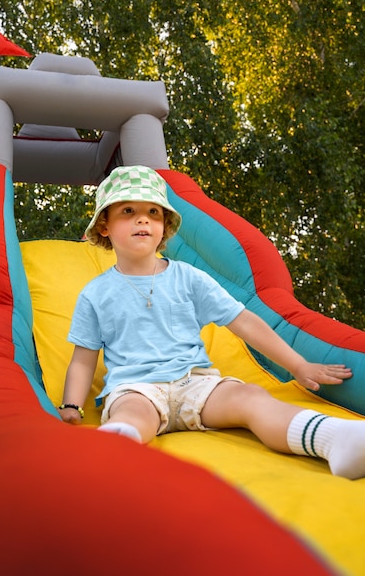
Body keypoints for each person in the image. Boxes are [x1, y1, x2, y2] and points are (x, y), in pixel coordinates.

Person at [58, 165, 365, 480]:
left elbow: (243, 321)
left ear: (165, 226)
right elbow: (83, 360)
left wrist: (299, 366)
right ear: (104, 226)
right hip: (137, 387)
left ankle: (336, 439)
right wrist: (72, 405)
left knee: (250, 397)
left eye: (153, 211)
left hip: (196, 384)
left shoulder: (187, 277)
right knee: (133, 413)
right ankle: (103, 457)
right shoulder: (96, 293)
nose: (143, 219)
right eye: (128, 210)